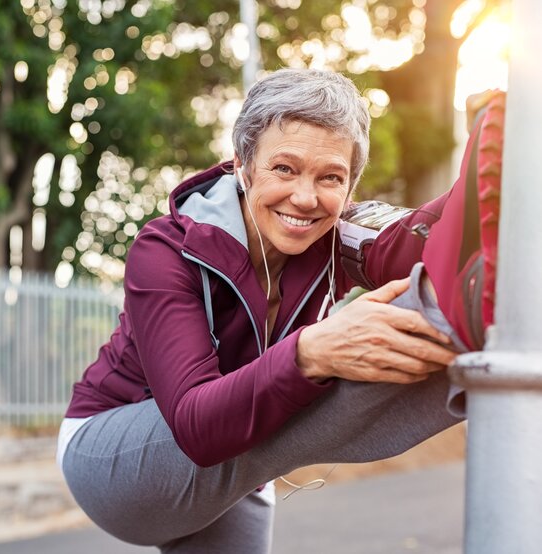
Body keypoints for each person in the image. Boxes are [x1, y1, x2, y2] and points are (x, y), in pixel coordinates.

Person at [57, 68, 503, 553]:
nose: (306, 198)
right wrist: (310, 353)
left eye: (330, 177)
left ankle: (493, 317)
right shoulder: (167, 248)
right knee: (350, 349)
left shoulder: (337, 236)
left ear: (350, 186)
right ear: (243, 167)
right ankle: (476, 323)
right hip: (115, 458)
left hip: (241, 468)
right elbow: (195, 425)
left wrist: (498, 160)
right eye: (284, 169)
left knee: (416, 297)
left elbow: (417, 242)